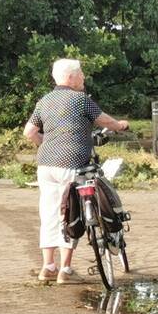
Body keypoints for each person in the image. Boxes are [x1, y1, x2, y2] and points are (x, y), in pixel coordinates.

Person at [23, 58, 129, 284]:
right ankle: (65, 270)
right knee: (71, 213)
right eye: (80, 74)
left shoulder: (44, 101)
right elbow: (105, 121)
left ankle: (47, 267)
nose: (83, 77)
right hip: (72, 164)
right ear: (70, 78)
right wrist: (120, 125)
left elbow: (29, 132)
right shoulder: (81, 100)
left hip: (46, 165)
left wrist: (47, 143)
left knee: (49, 213)